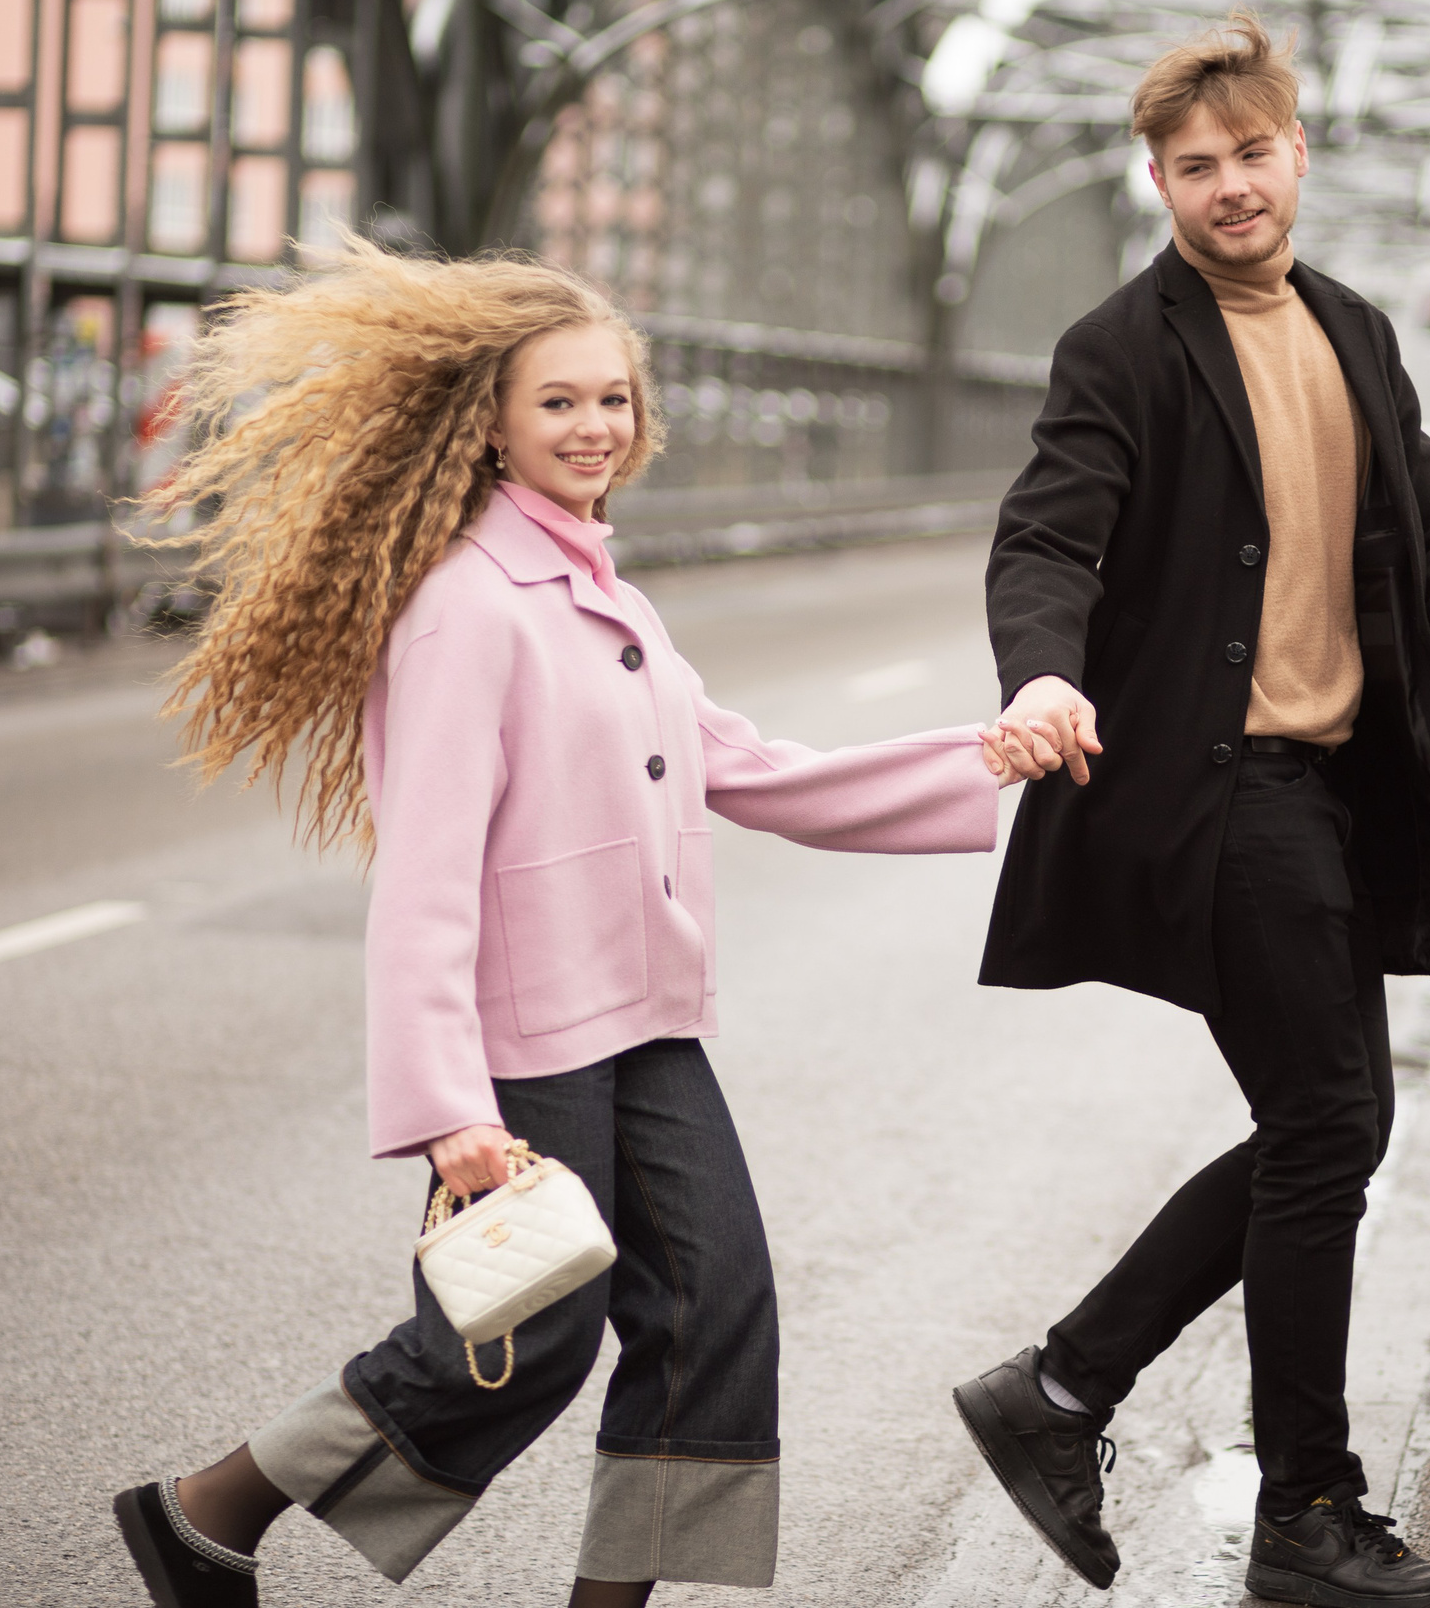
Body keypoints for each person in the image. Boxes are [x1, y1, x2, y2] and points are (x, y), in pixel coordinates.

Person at [110, 245, 1051, 1608]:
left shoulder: (606, 597)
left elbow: (756, 767)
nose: (595, 424)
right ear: (490, 421)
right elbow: (425, 878)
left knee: (715, 1313)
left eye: (614, 398)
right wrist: (448, 1107)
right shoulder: (465, 609)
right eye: (559, 402)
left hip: (646, 1023)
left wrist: (994, 764)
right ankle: (208, 1509)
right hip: (528, 1042)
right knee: (514, 1340)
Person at [957, 12, 1430, 1608]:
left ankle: (1065, 1391)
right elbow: (1045, 543)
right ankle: (1300, 1508)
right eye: (1196, 167)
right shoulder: (1123, 347)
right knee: (1332, 1123)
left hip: (1340, 791)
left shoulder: (1354, 330)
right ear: (1159, 179)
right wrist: (1039, 676)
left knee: (1325, 1126)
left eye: (1253, 155)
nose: (1230, 187)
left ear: (1299, 153)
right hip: (1215, 796)